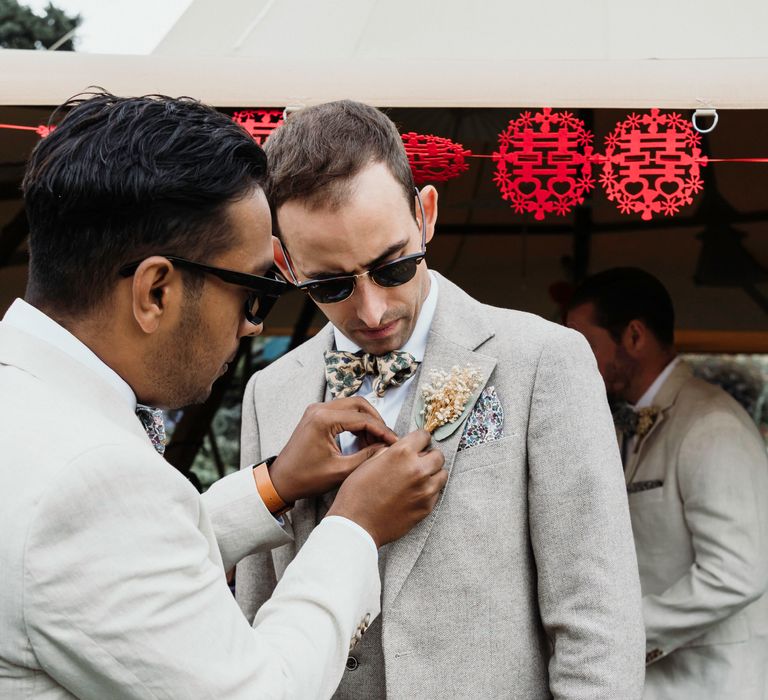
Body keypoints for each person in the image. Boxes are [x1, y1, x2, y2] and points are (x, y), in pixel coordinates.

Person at [0, 92, 448, 700]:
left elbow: (119, 567)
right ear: (156, 290)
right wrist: (353, 526)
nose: (253, 326)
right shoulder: (90, 479)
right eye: (254, 291)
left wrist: (274, 484)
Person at [235, 100, 646, 699]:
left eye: (393, 266)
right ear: (285, 262)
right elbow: (255, 611)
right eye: (330, 284)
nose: (371, 310)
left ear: (425, 216)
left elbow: (597, 619)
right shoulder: (267, 392)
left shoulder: (544, 360)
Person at [566, 267, 768, 700]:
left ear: (634, 337)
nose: (575, 362)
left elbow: (737, 573)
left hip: (713, 683)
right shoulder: (622, 423)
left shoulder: (711, 424)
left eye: (584, 345)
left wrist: (624, 629)